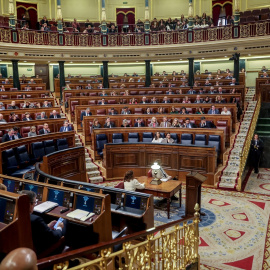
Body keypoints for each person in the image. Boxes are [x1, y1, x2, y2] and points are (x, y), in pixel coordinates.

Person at [20, 190, 66, 255]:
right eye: (34, 202)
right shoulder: (35, 219)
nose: (34, 205)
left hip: (20, 249)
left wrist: (47, 226)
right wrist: (59, 227)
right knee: (64, 221)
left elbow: (37, 230)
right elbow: (54, 237)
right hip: (37, 250)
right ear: (29, 204)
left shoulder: (16, 216)